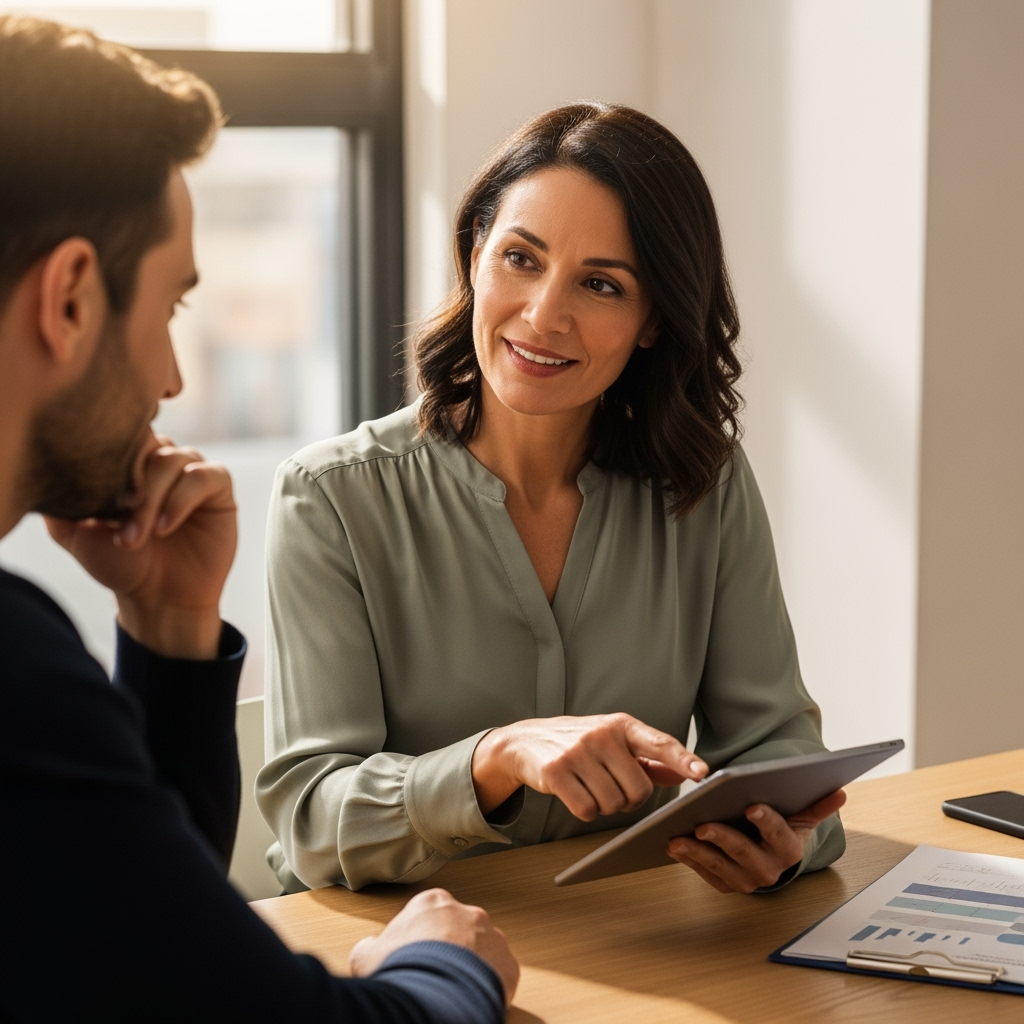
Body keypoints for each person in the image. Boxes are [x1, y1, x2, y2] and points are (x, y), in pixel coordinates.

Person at [0, 15, 518, 1021]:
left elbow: (152, 949)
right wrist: (443, 962)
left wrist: (168, 628)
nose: (171, 376)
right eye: (171, 309)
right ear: (67, 299)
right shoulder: (14, 672)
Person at [257, 102, 847, 897]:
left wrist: (783, 842)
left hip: (629, 946)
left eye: (601, 284)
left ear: (650, 321)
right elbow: (310, 823)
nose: (543, 316)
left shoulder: (704, 486)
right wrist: (491, 760)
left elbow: (781, 757)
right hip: (390, 960)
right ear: (474, 259)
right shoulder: (330, 500)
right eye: (521, 259)